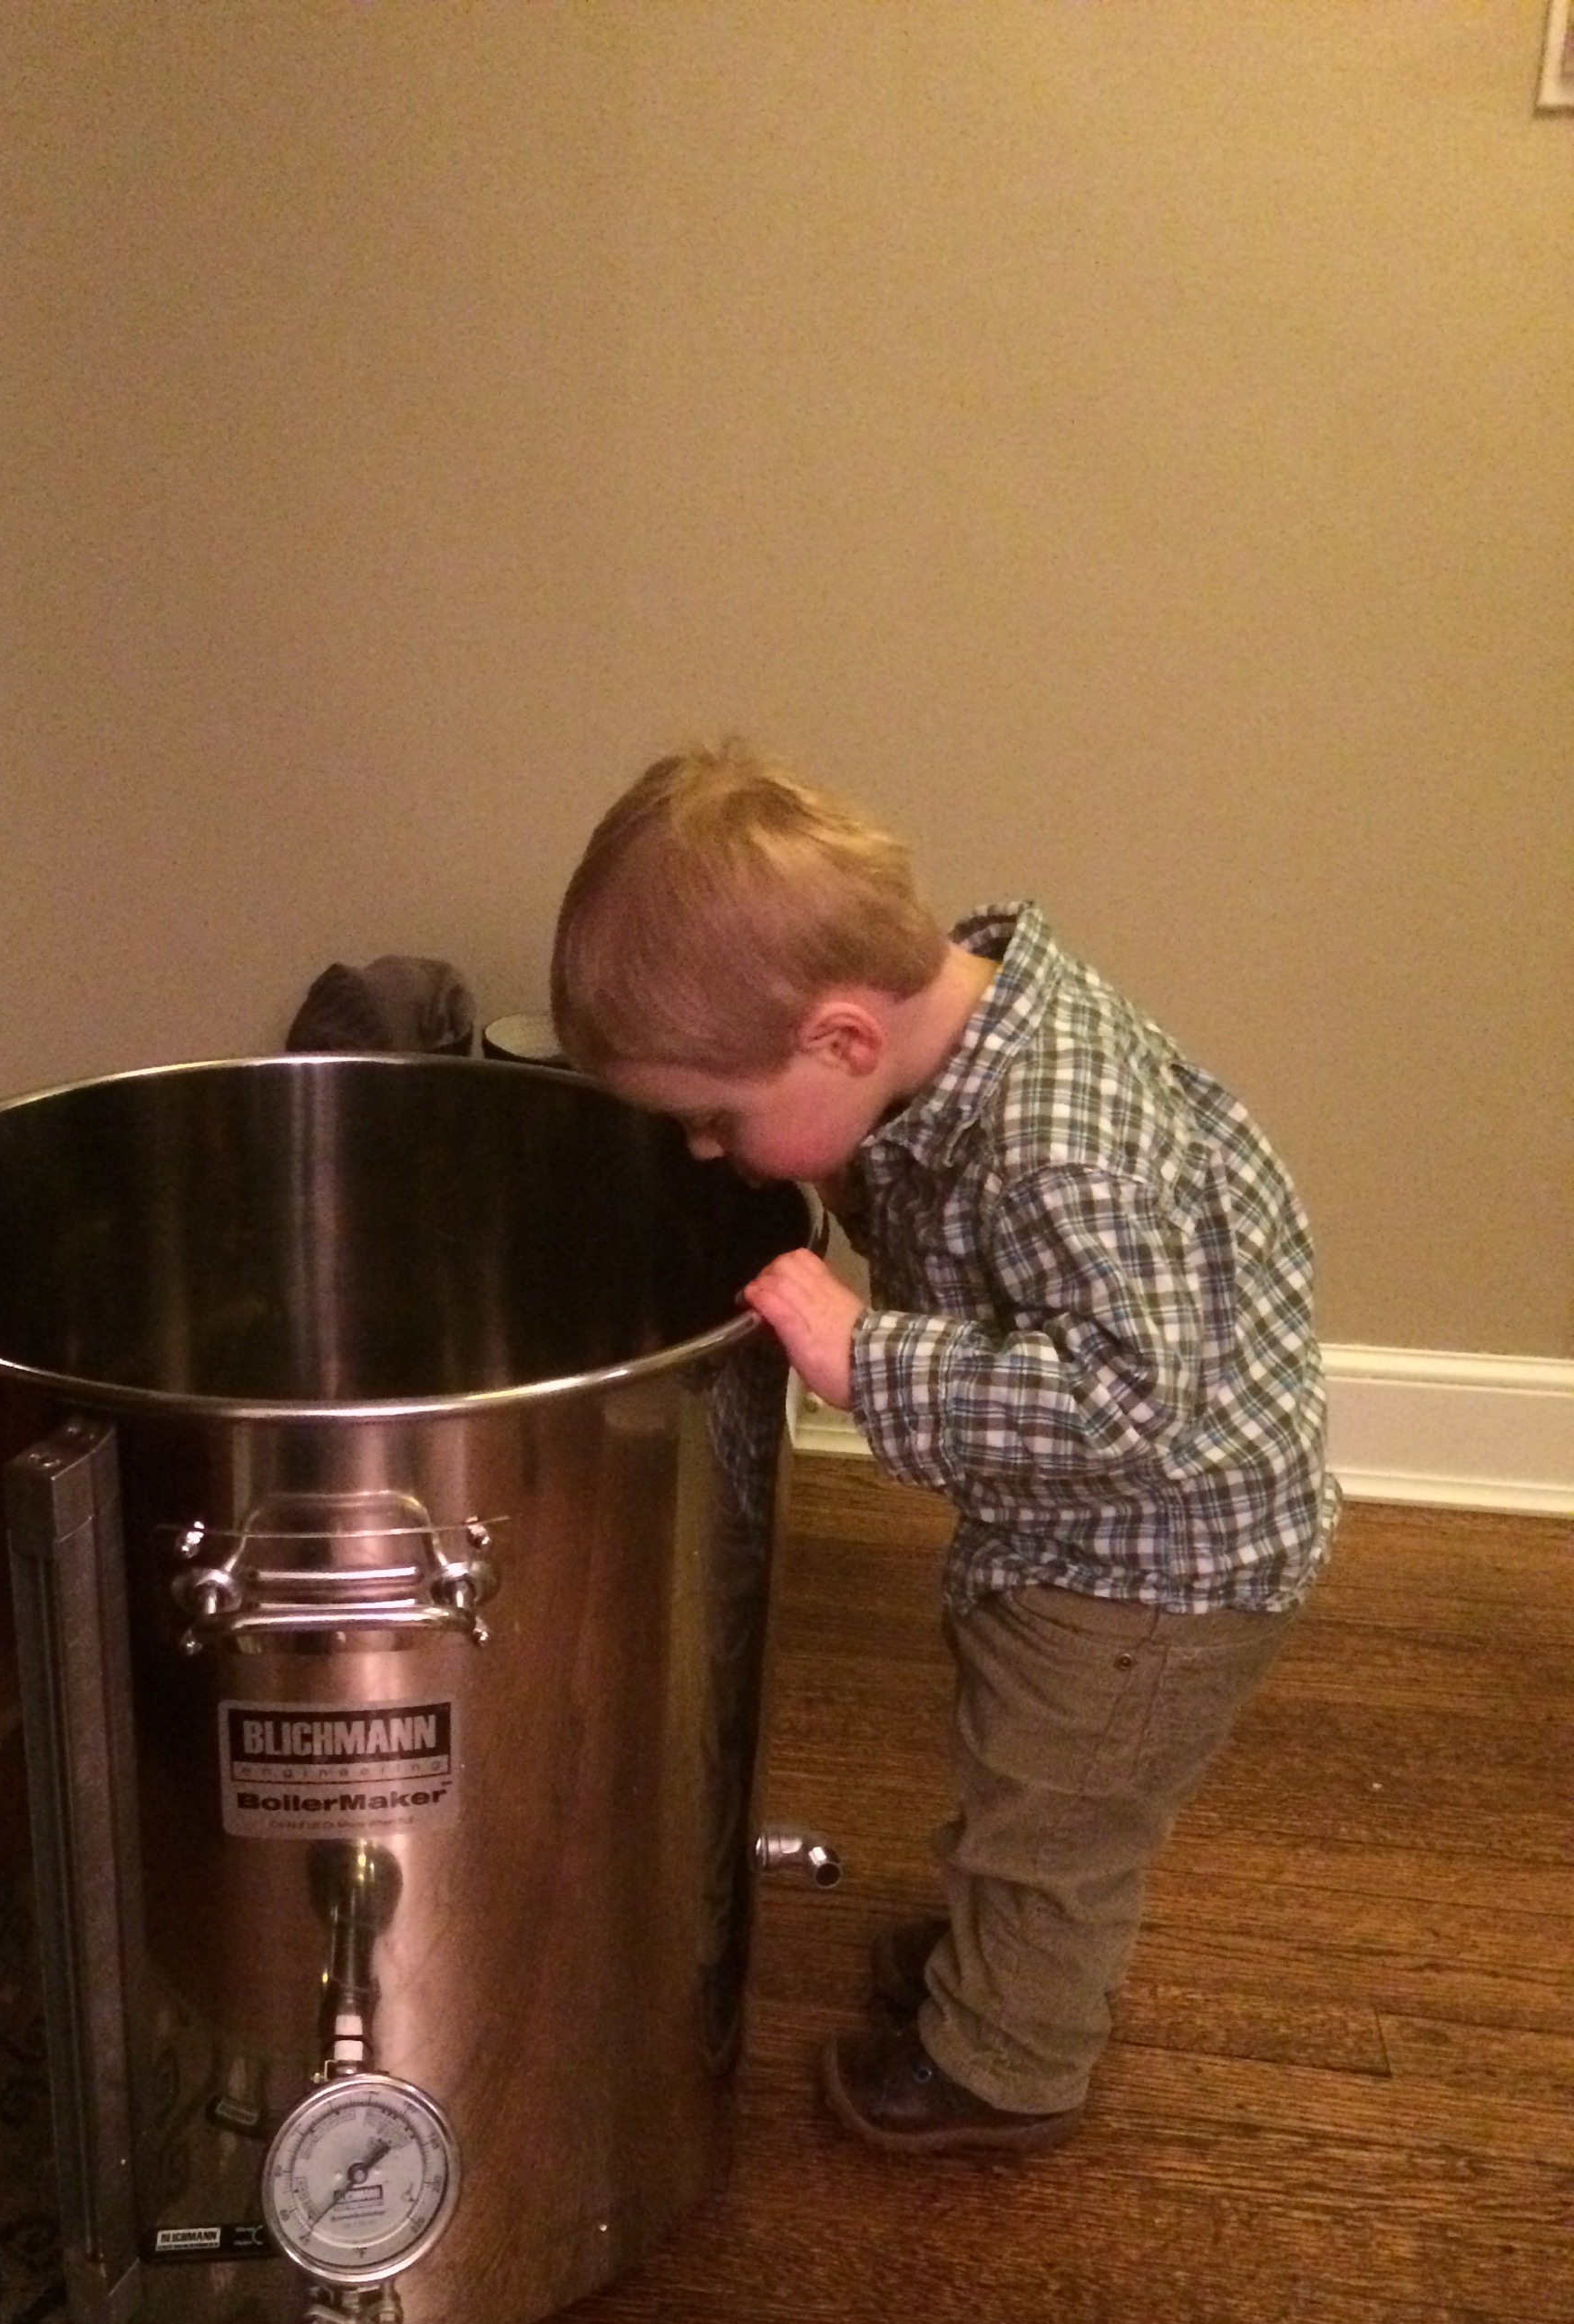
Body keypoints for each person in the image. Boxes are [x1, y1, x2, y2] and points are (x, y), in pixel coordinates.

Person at [550, 743, 1336, 2154]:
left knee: (1051, 1822)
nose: (710, 1155)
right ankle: (1001, 1971)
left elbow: (1126, 1407)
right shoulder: (954, 1041)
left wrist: (871, 1357)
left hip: (1155, 1577)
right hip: (1089, 1541)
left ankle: (1003, 2064)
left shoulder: (1057, 1144)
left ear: (841, 1038)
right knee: (1017, 1775)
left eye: (714, 1122)